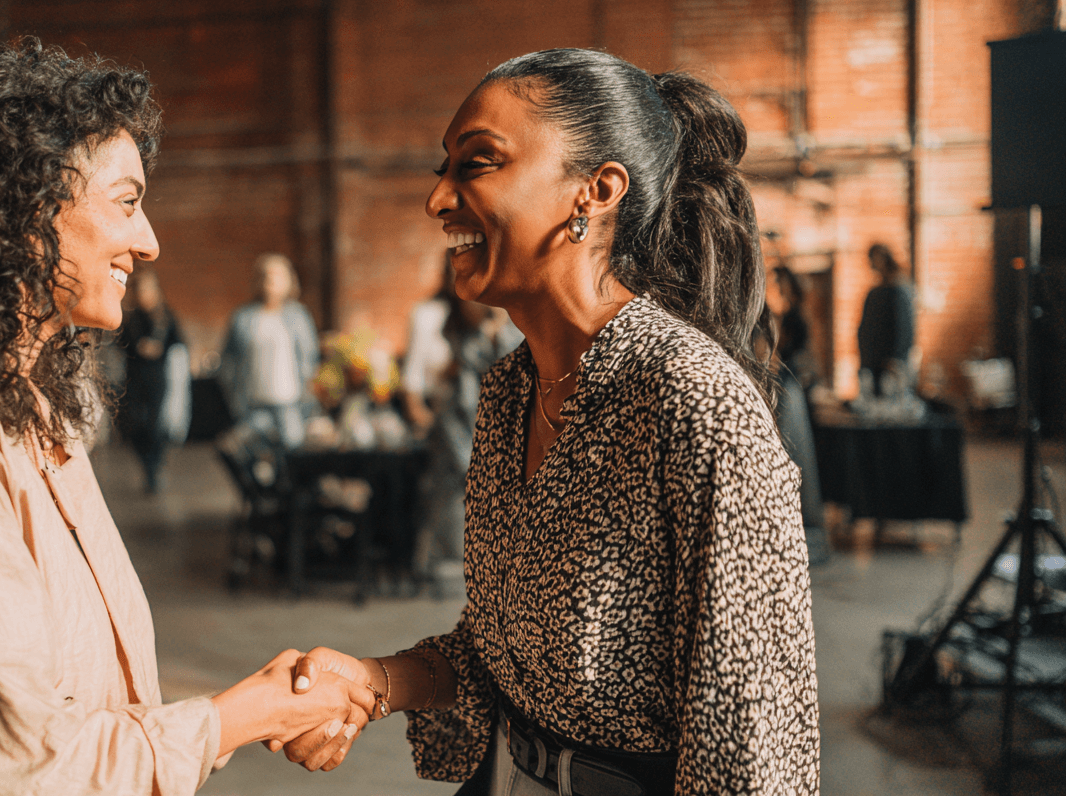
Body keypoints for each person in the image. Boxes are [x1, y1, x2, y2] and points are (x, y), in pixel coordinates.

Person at [0, 39, 368, 796]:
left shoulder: (33, 422)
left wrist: (258, 705)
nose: (149, 241)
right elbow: (23, 771)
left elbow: (88, 704)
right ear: (25, 214)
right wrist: (236, 717)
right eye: (126, 202)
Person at [276, 48, 820, 795]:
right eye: (443, 169)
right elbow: (508, 656)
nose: (437, 199)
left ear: (596, 191)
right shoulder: (510, 391)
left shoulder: (694, 403)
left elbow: (752, 749)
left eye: (477, 163)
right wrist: (373, 681)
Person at [401, 263, 523, 595]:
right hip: (457, 435)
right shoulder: (445, 326)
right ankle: (449, 572)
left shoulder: (507, 330)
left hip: (495, 432)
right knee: (455, 504)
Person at [217, 254, 320, 449]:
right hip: (252, 403)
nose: (271, 281)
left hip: (290, 404)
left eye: (277, 275)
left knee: (291, 451)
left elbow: (310, 359)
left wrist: (309, 400)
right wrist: (234, 398)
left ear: (288, 280)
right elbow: (228, 362)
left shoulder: (298, 317)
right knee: (247, 452)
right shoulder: (243, 318)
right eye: (266, 275)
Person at [769, 265, 828, 563]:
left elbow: (794, 353)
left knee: (797, 453)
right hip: (790, 385)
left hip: (791, 388)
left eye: (780, 282)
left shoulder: (794, 316)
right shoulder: (792, 313)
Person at [116, 266, 189, 493]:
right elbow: (120, 345)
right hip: (134, 380)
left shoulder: (166, 317)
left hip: (158, 379)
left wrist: (159, 349)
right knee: (133, 425)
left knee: (156, 427)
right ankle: (148, 466)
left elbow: (179, 344)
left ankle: (154, 468)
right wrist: (138, 347)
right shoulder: (130, 319)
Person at [857, 242, 915, 395]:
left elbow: (903, 328)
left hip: (891, 364)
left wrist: (896, 359)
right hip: (874, 363)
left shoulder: (899, 289)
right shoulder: (875, 293)